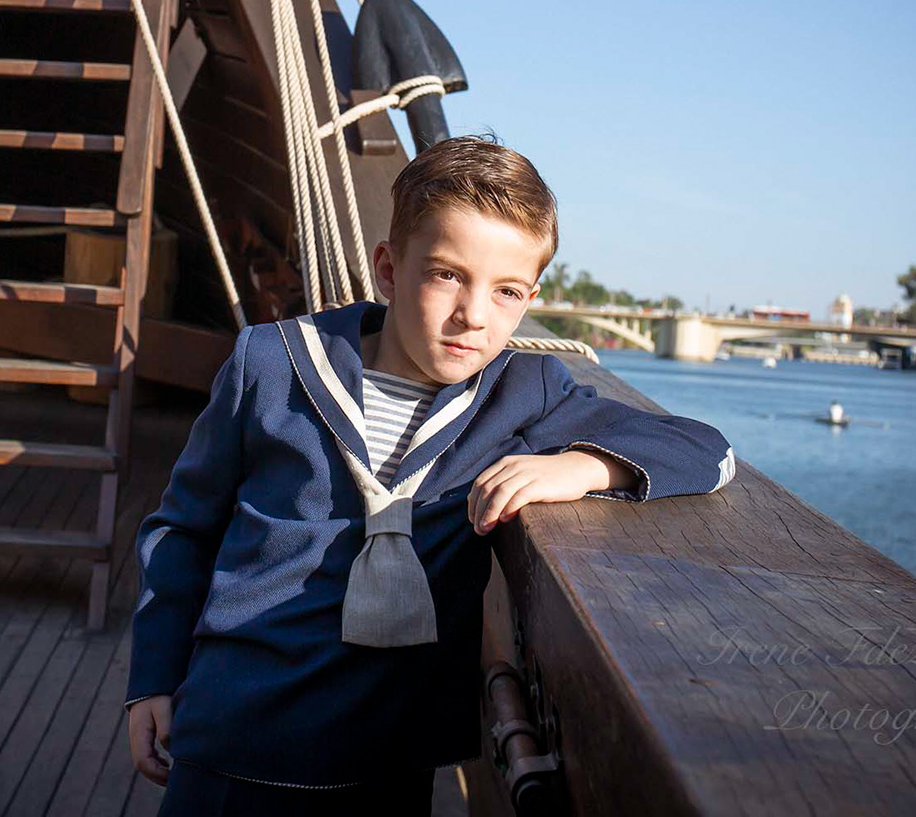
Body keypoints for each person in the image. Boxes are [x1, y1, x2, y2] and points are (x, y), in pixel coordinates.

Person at [123, 135, 737, 814]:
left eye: (506, 292)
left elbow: (707, 451)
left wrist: (582, 466)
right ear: (389, 269)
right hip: (231, 739)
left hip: (385, 763)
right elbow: (183, 528)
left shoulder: (520, 394)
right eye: (447, 275)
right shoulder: (272, 363)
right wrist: (152, 677)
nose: (473, 315)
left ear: (530, 298)